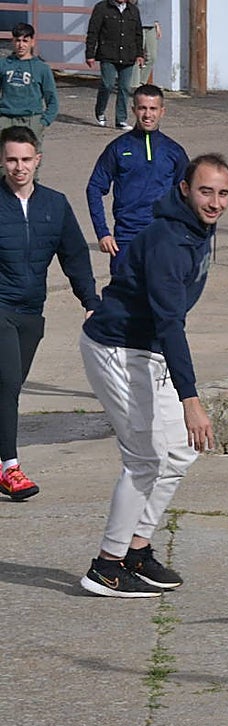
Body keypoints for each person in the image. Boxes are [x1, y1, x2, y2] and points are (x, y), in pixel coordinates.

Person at [78, 153, 228, 598]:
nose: (215, 202)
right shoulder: (168, 240)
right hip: (115, 347)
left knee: (182, 451)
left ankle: (135, 548)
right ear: (184, 189)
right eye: (205, 191)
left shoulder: (198, 228)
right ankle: (106, 566)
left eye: (222, 193)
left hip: (147, 348)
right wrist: (191, 399)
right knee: (144, 457)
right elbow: (170, 321)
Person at [0, 126, 99, 501]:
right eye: (11, 159)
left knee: (7, 390)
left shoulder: (54, 205)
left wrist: (91, 302)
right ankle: (10, 468)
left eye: (26, 159)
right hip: (0, 308)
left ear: (37, 160)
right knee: (7, 386)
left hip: (30, 311)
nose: (19, 167)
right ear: (2, 160)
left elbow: (74, 255)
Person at [86, 83, 188, 275]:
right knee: (123, 299)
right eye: (142, 108)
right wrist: (103, 233)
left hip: (162, 238)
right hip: (126, 239)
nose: (147, 115)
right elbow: (94, 188)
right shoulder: (117, 148)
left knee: (161, 299)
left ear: (162, 111)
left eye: (153, 109)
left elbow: (188, 195)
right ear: (133, 110)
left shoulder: (174, 151)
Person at [86, 0, 145, 130]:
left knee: (125, 88)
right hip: (108, 54)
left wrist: (140, 54)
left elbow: (138, 34)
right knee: (108, 84)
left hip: (128, 55)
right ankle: (100, 111)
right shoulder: (102, 7)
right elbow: (93, 31)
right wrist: (90, 54)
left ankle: (121, 119)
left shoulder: (133, 10)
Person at [0, 23, 58, 146]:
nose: (21, 45)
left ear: (32, 42)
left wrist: (43, 122)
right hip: (5, 119)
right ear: (13, 41)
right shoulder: (3, 65)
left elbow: (52, 99)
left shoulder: (42, 68)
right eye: (17, 40)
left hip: (31, 120)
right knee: (5, 160)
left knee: (29, 160)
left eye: (25, 41)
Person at [131, 0, 161, 86]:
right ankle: (134, 84)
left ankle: (142, 82)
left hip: (150, 25)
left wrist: (157, 24)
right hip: (137, 25)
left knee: (152, 56)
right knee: (137, 55)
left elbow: (153, 8)